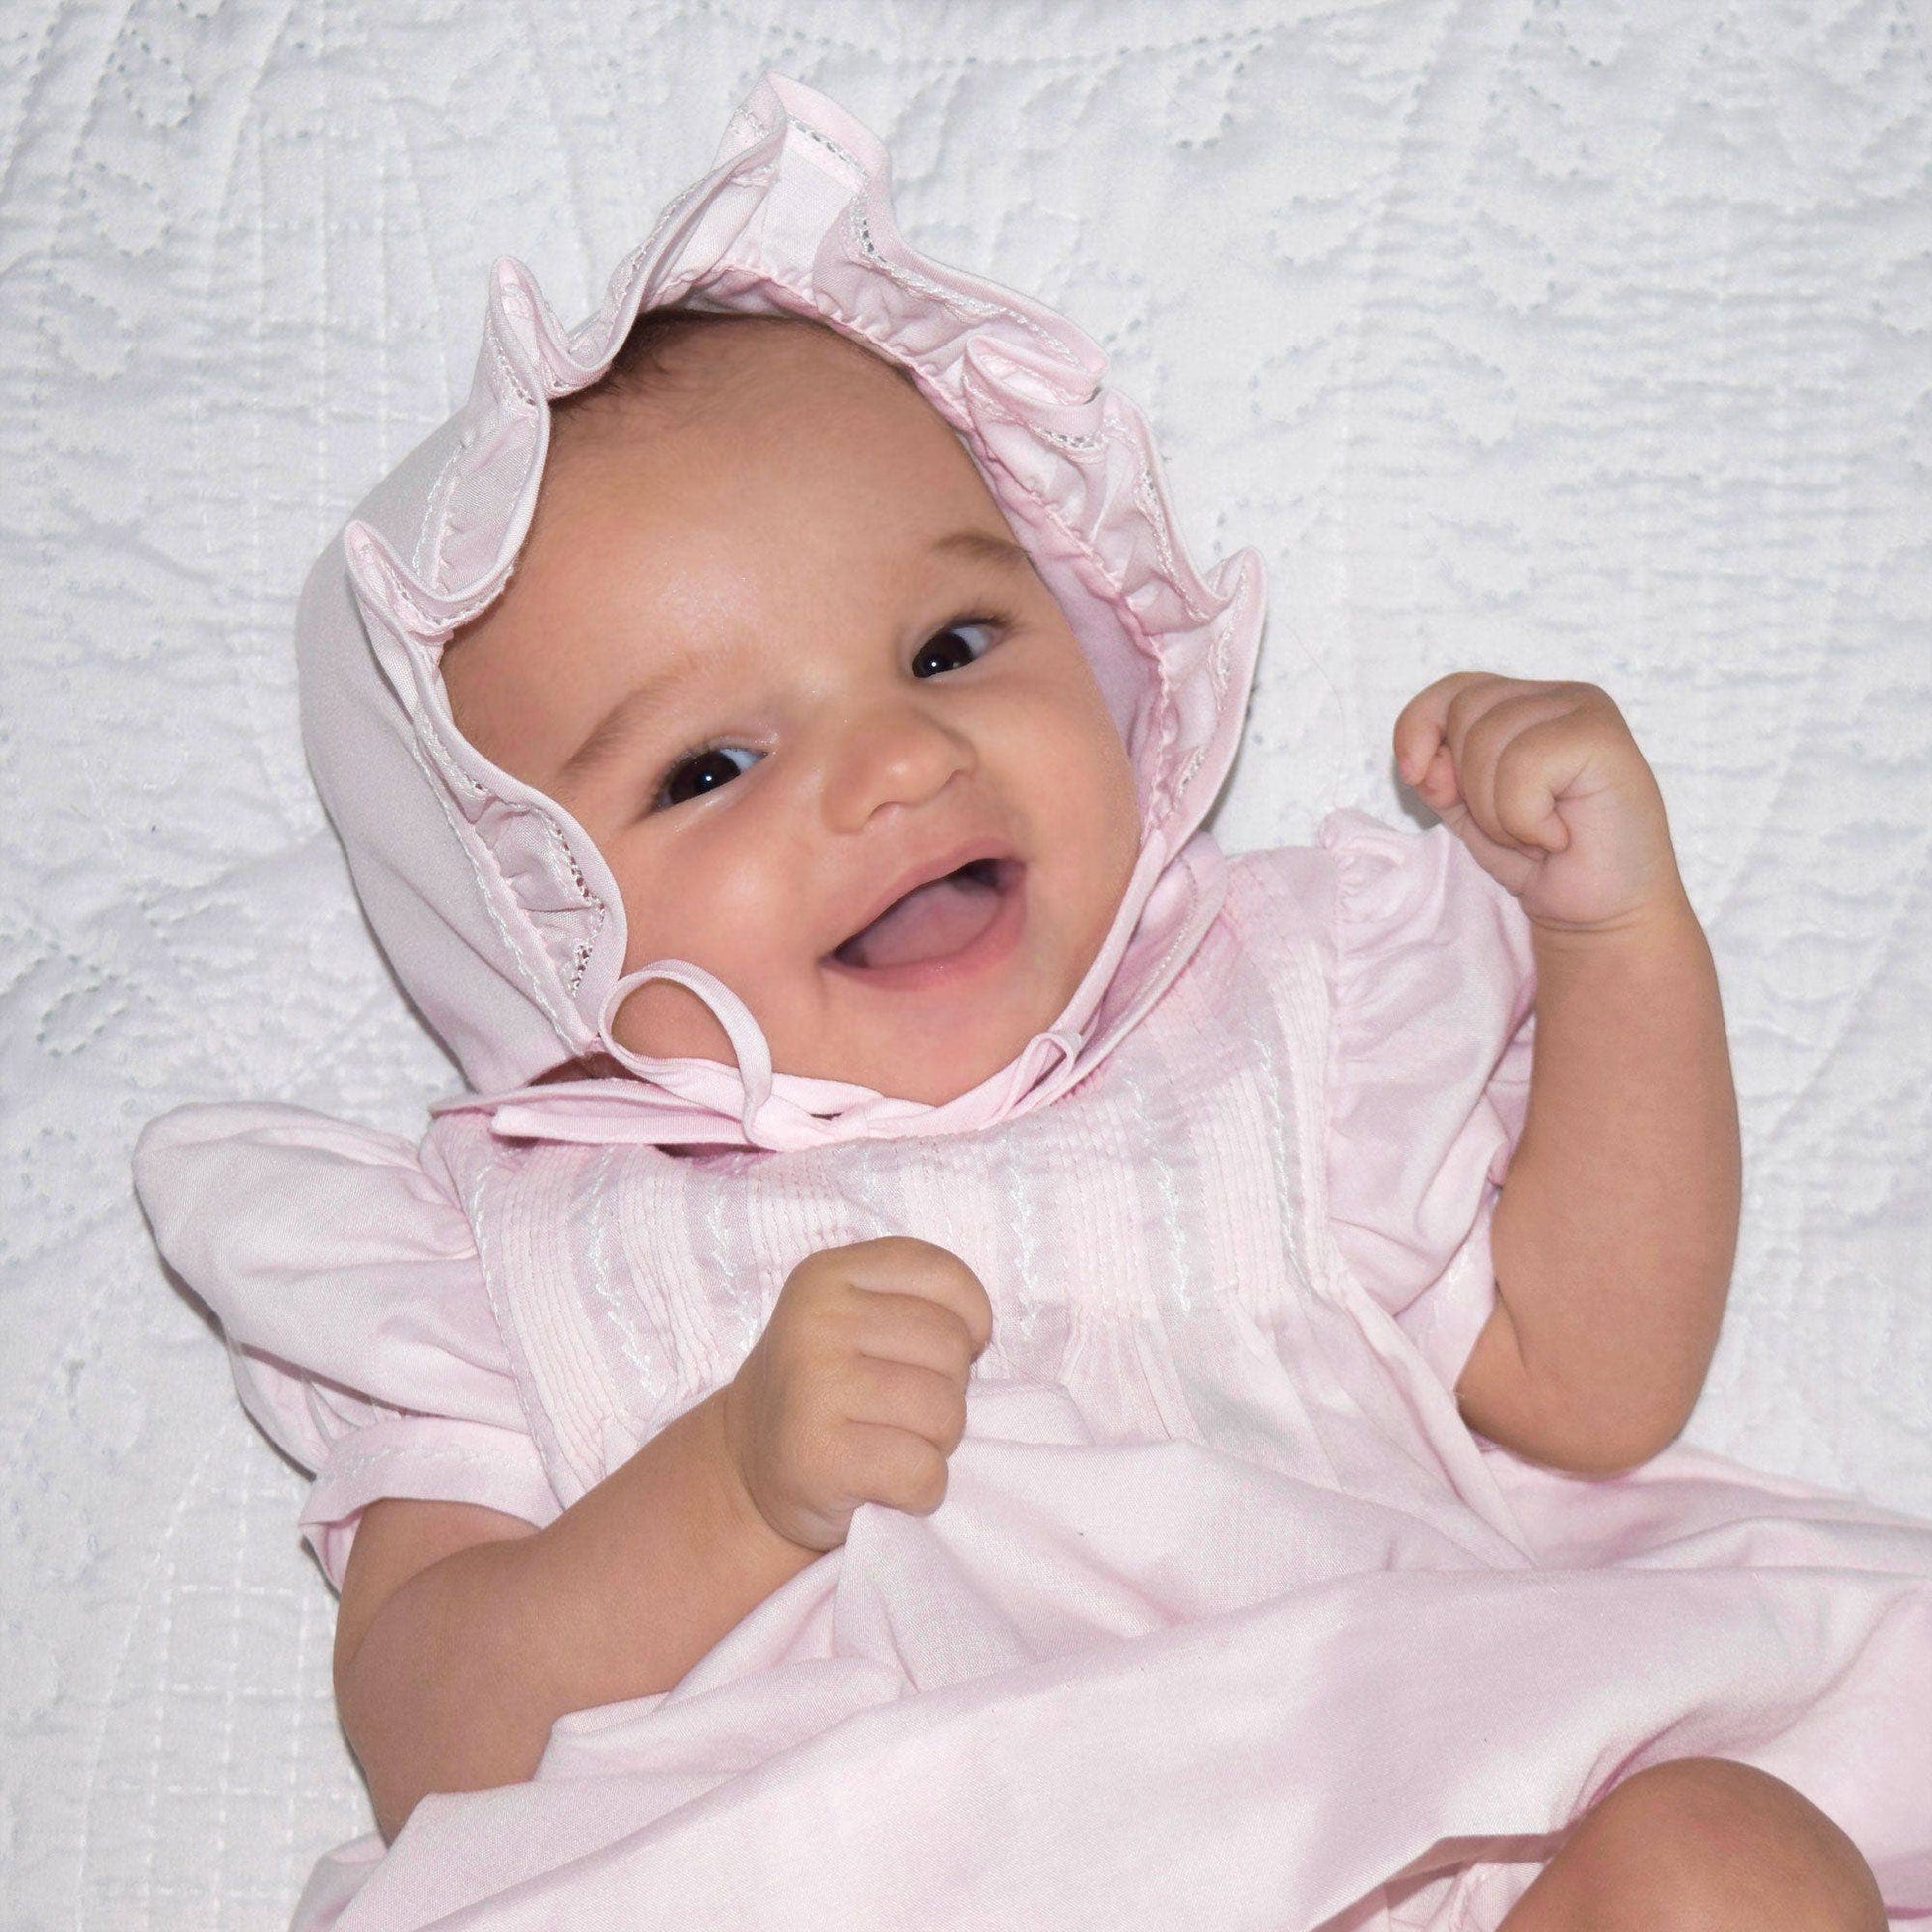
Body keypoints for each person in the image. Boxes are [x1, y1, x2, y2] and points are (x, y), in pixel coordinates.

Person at [132, 71, 1928, 1932]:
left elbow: (1594, 1381)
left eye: (950, 647)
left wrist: (1616, 943)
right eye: (710, 766)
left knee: (1727, 1859)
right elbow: (436, 1731)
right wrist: (732, 1486)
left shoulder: (1271, 1026)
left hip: (1412, 1822)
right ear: (516, 910)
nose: (895, 758)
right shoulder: (511, 1254)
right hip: (855, 1876)